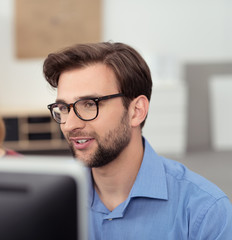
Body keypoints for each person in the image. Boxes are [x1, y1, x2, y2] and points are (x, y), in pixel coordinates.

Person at [43, 42, 232, 239]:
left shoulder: (205, 212)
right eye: (64, 108)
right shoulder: (50, 201)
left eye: (89, 104)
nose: (70, 125)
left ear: (136, 111)